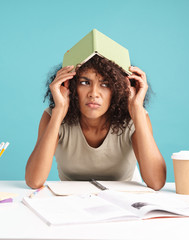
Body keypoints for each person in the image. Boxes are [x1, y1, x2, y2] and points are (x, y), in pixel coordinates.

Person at [25, 55, 166, 190]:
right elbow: (34, 181)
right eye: (85, 82)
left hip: (122, 203)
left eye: (105, 84)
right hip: (72, 203)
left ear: (119, 89)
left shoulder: (135, 117)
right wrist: (59, 111)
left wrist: (136, 109)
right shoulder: (53, 116)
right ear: (70, 86)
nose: (93, 93)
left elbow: (156, 182)